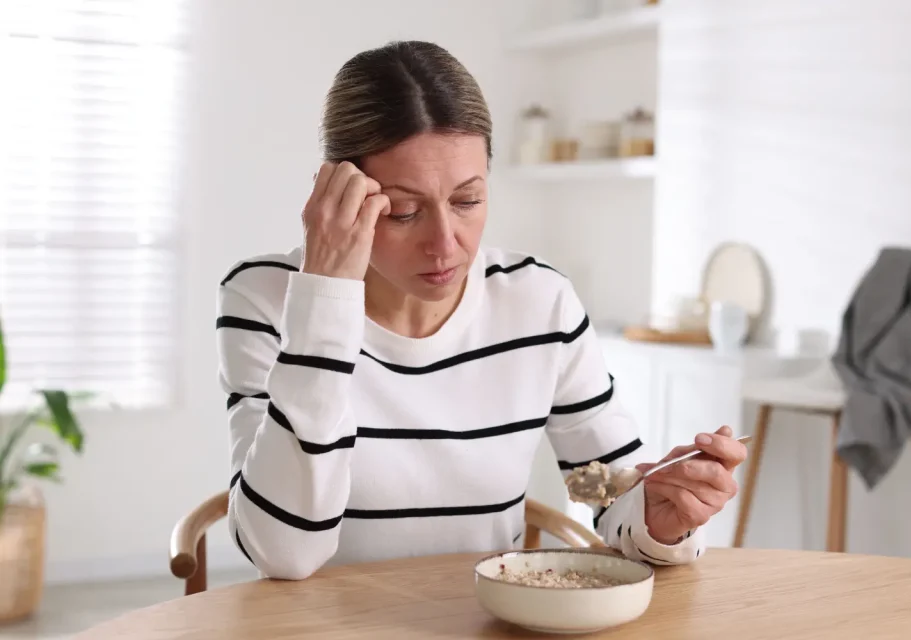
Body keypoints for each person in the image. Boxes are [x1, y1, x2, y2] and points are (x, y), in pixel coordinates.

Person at [216, 40, 747, 580]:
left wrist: (654, 516)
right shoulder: (267, 300)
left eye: (467, 201)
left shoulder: (539, 305)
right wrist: (325, 298)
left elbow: (594, 480)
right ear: (342, 195)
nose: (445, 244)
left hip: (487, 621)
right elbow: (283, 551)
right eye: (403, 211)